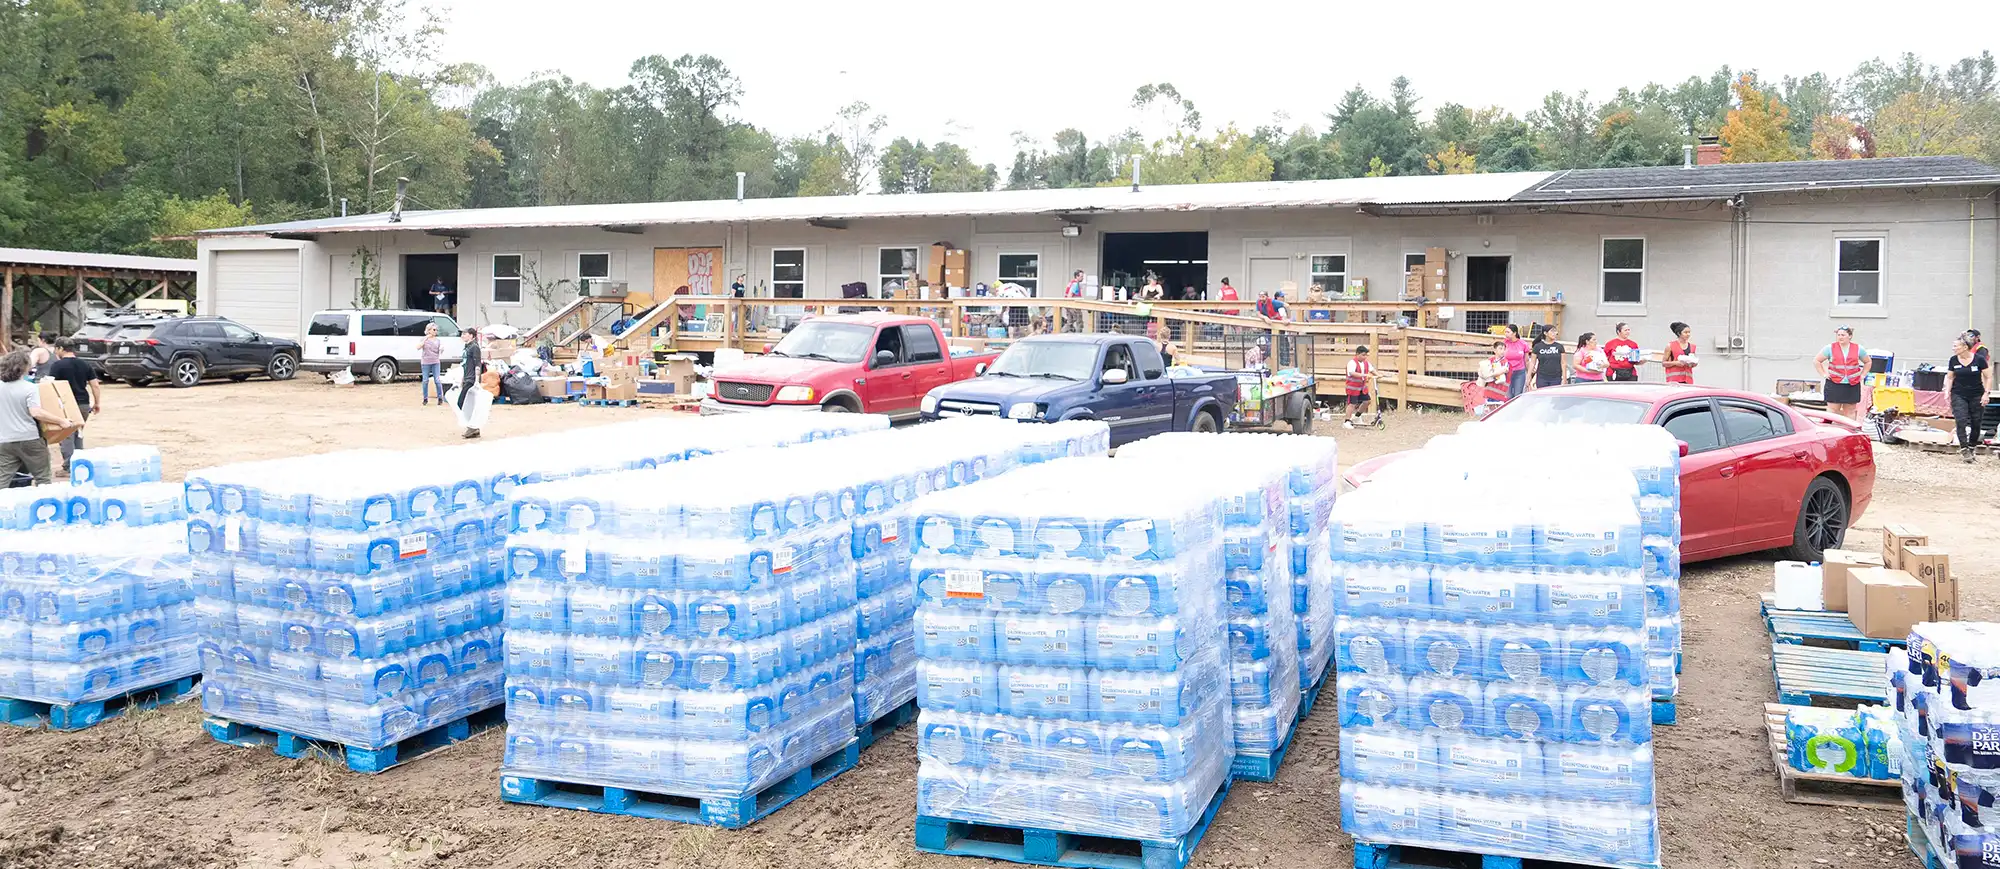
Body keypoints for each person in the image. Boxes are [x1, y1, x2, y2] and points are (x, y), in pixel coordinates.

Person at [0, 350, 69, 485]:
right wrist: (61, 421)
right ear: (25, 367)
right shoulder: (29, 388)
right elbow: (36, 412)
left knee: (3, 479)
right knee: (42, 477)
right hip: (29, 438)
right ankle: (44, 505)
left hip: (4, 440)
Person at [44, 338, 100, 476]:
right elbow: (95, 385)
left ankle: (69, 467)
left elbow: (50, 385)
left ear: (61, 349)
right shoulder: (85, 364)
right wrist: (97, 403)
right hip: (83, 404)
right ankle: (80, 464)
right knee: (78, 434)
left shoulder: (57, 366)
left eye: (56, 349)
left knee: (66, 435)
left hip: (66, 404)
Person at [1946, 334, 1991, 461]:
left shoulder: (1979, 359)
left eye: (1955, 346)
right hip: (1959, 394)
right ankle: (1964, 449)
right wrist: (1947, 392)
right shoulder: (1953, 360)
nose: (1953, 348)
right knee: (1960, 421)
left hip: (1977, 394)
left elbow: (1988, 377)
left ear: (1965, 347)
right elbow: (1950, 377)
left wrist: (1986, 393)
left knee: (1976, 422)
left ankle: (1972, 447)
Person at [1815, 326, 1868, 421]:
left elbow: (1868, 362)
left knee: (1850, 411)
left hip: (1852, 384)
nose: (1840, 337)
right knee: (1832, 410)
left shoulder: (1858, 348)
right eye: (1838, 335)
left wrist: (1863, 375)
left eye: (1843, 335)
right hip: (1834, 383)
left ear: (1850, 336)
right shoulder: (1830, 348)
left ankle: (1849, 432)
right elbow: (1817, 361)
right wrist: (1824, 374)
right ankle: (1829, 431)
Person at [455, 326, 485, 439]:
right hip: (467, 377)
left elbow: (478, 364)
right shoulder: (467, 347)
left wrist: (477, 380)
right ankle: (473, 428)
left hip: (472, 379)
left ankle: (472, 427)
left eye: (465, 334)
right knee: (468, 404)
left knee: (462, 403)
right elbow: (465, 364)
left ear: (472, 336)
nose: (463, 335)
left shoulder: (474, 347)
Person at [1342, 345, 1378, 428]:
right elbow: (1352, 373)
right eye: (1363, 355)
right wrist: (1365, 375)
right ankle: (1347, 421)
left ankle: (1357, 416)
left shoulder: (1366, 363)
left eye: (1365, 355)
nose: (1364, 357)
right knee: (1352, 404)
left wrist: (1378, 375)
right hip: (1352, 388)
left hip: (1362, 387)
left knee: (1367, 401)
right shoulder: (1352, 363)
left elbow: (1372, 370)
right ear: (1357, 354)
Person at [1662, 321, 1698, 386]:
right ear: (1679, 333)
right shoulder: (1670, 346)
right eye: (1685, 332)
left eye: (1689, 332)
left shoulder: (1692, 347)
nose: (1688, 334)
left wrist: (1693, 363)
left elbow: (1693, 363)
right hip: (1674, 381)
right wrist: (1675, 363)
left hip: (1688, 380)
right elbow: (1663, 363)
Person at [419, 321, 444, 407]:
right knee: (425, 380)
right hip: (425, 362)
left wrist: (441, 349)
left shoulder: (438, 340)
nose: (435, 331)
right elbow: (418, 347)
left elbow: (440, 349)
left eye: (436, 330)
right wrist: (426, 338)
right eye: (434, 329)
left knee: (437, 380)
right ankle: (425, 398)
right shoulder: (424, 339)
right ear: (429, 330)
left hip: (435, 361)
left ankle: (440, 397)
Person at [1501, 324, 1530, 398]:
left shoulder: (1523, 344)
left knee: (1518, 395)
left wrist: (1529, 373)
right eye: (1505, 332)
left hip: (1519, 372)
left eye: (1508, 332)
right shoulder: (1504, 343)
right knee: (1508, 395)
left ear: (1514, 333)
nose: (1506, 334)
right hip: (1507, 372)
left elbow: (1526, 360)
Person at [1478, 341, 1510, 406]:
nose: (1503, 351)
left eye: (1504, 349)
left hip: (1501, 391)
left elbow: (1504, 370)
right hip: (1490, 390)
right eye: (1500, 348)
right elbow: (1483, 372)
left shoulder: (1505, 361)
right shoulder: (1489, 360)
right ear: (1495, 350)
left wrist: (1490, 373)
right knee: (1490, 408)